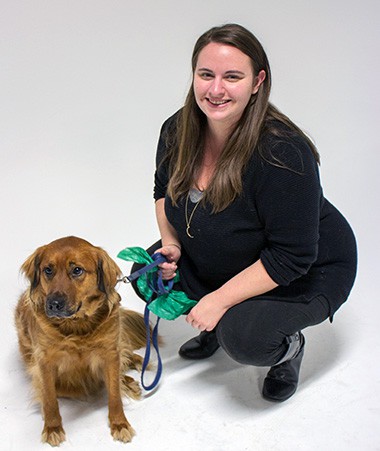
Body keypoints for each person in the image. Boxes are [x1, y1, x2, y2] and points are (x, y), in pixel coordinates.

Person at [131, 23, 357, 402]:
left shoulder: (283, 153)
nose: (215, 90)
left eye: (232, 76)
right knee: (146, 277)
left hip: (306, 267)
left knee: (245, 338)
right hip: (233, 249)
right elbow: (162, 190)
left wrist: (218, 301)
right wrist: (171, 244)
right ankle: (219, 319)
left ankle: (286, 348)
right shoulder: (177, 129)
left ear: (257, 81)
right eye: (206, 75)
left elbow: (292, 256)